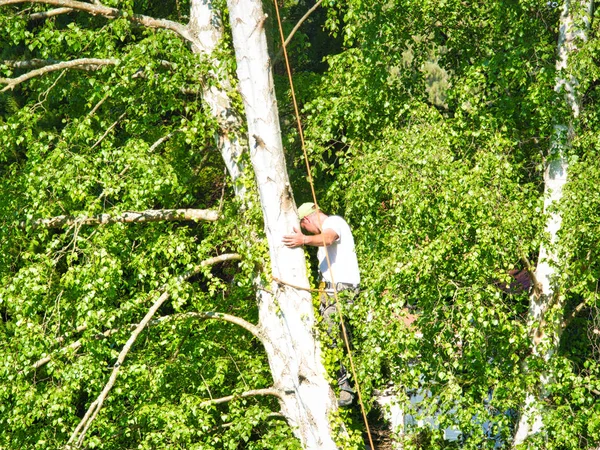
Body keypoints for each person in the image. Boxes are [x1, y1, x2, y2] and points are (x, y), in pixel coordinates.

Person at [282, 202, 360, 407]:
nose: (306, 231)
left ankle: (344, 387)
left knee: (330, 334)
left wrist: (304, 239)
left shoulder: (334, 222)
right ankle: (341, 382)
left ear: (306, 220)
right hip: (332, 291)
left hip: (340, 290)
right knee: (328, 336)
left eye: (304, 227)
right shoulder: (327, 229)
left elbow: (329, 237)